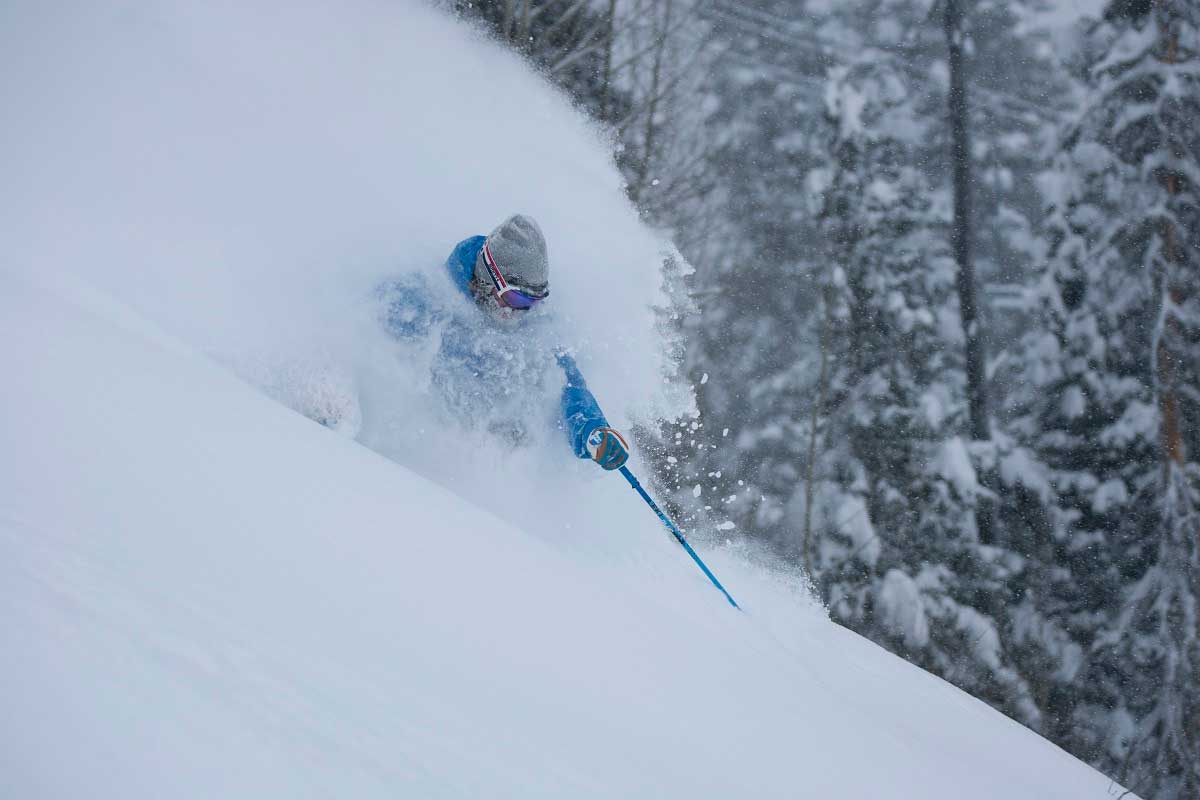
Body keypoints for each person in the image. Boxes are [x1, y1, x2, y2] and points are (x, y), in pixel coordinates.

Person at [380, 213, 630, 471]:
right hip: (422, 451)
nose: (520, 312)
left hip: (490, 454)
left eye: (533, 302)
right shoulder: (423, 301)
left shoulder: (535, 325)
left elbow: (565, 383)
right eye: (517, 300)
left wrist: (590, 429)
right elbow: (366, 343)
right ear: (489, 280)